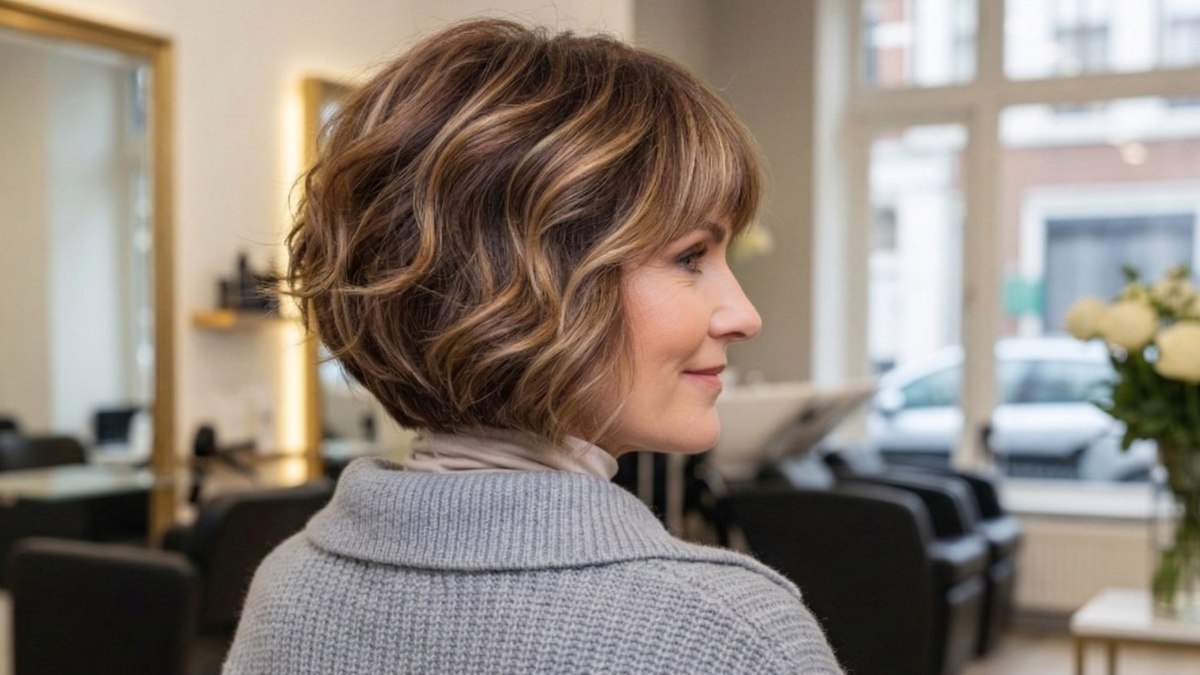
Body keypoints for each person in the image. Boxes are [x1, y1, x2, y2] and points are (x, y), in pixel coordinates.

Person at [224, 18, 842, 674]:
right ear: (522, 283)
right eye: (690, 256)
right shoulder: (731, 637)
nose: (745, 316)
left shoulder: (288, 586)